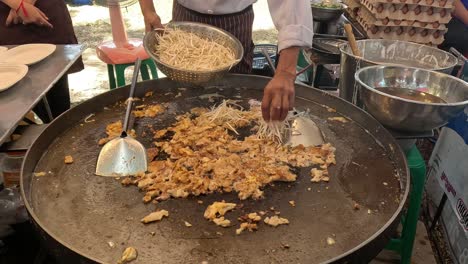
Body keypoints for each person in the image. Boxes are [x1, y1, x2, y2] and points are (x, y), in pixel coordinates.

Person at [138, 0, 313, 122]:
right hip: (184, 22)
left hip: (235, 22)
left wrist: (285, 72)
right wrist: (148, 10)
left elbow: (291, 3)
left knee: (235, 105)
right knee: (182, 104)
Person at [0, 0, 84, 122]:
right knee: (12, 97)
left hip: (42, 13)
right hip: (6, 20)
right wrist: (18, 5)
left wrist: (22, 6)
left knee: (55, 103)